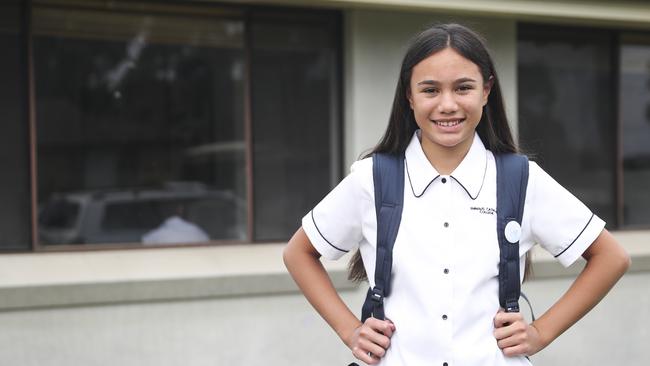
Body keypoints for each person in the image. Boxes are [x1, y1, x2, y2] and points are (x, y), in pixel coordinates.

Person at [283, 23, 630, 365]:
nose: (447, 105)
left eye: (463, 87)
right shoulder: (372, 179)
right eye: (430, 90)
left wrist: (541, 332)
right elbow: (299, 253)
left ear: (486, 90)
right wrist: (350, 331)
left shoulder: (521, 180)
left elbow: (611, 257)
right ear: (409, 95)